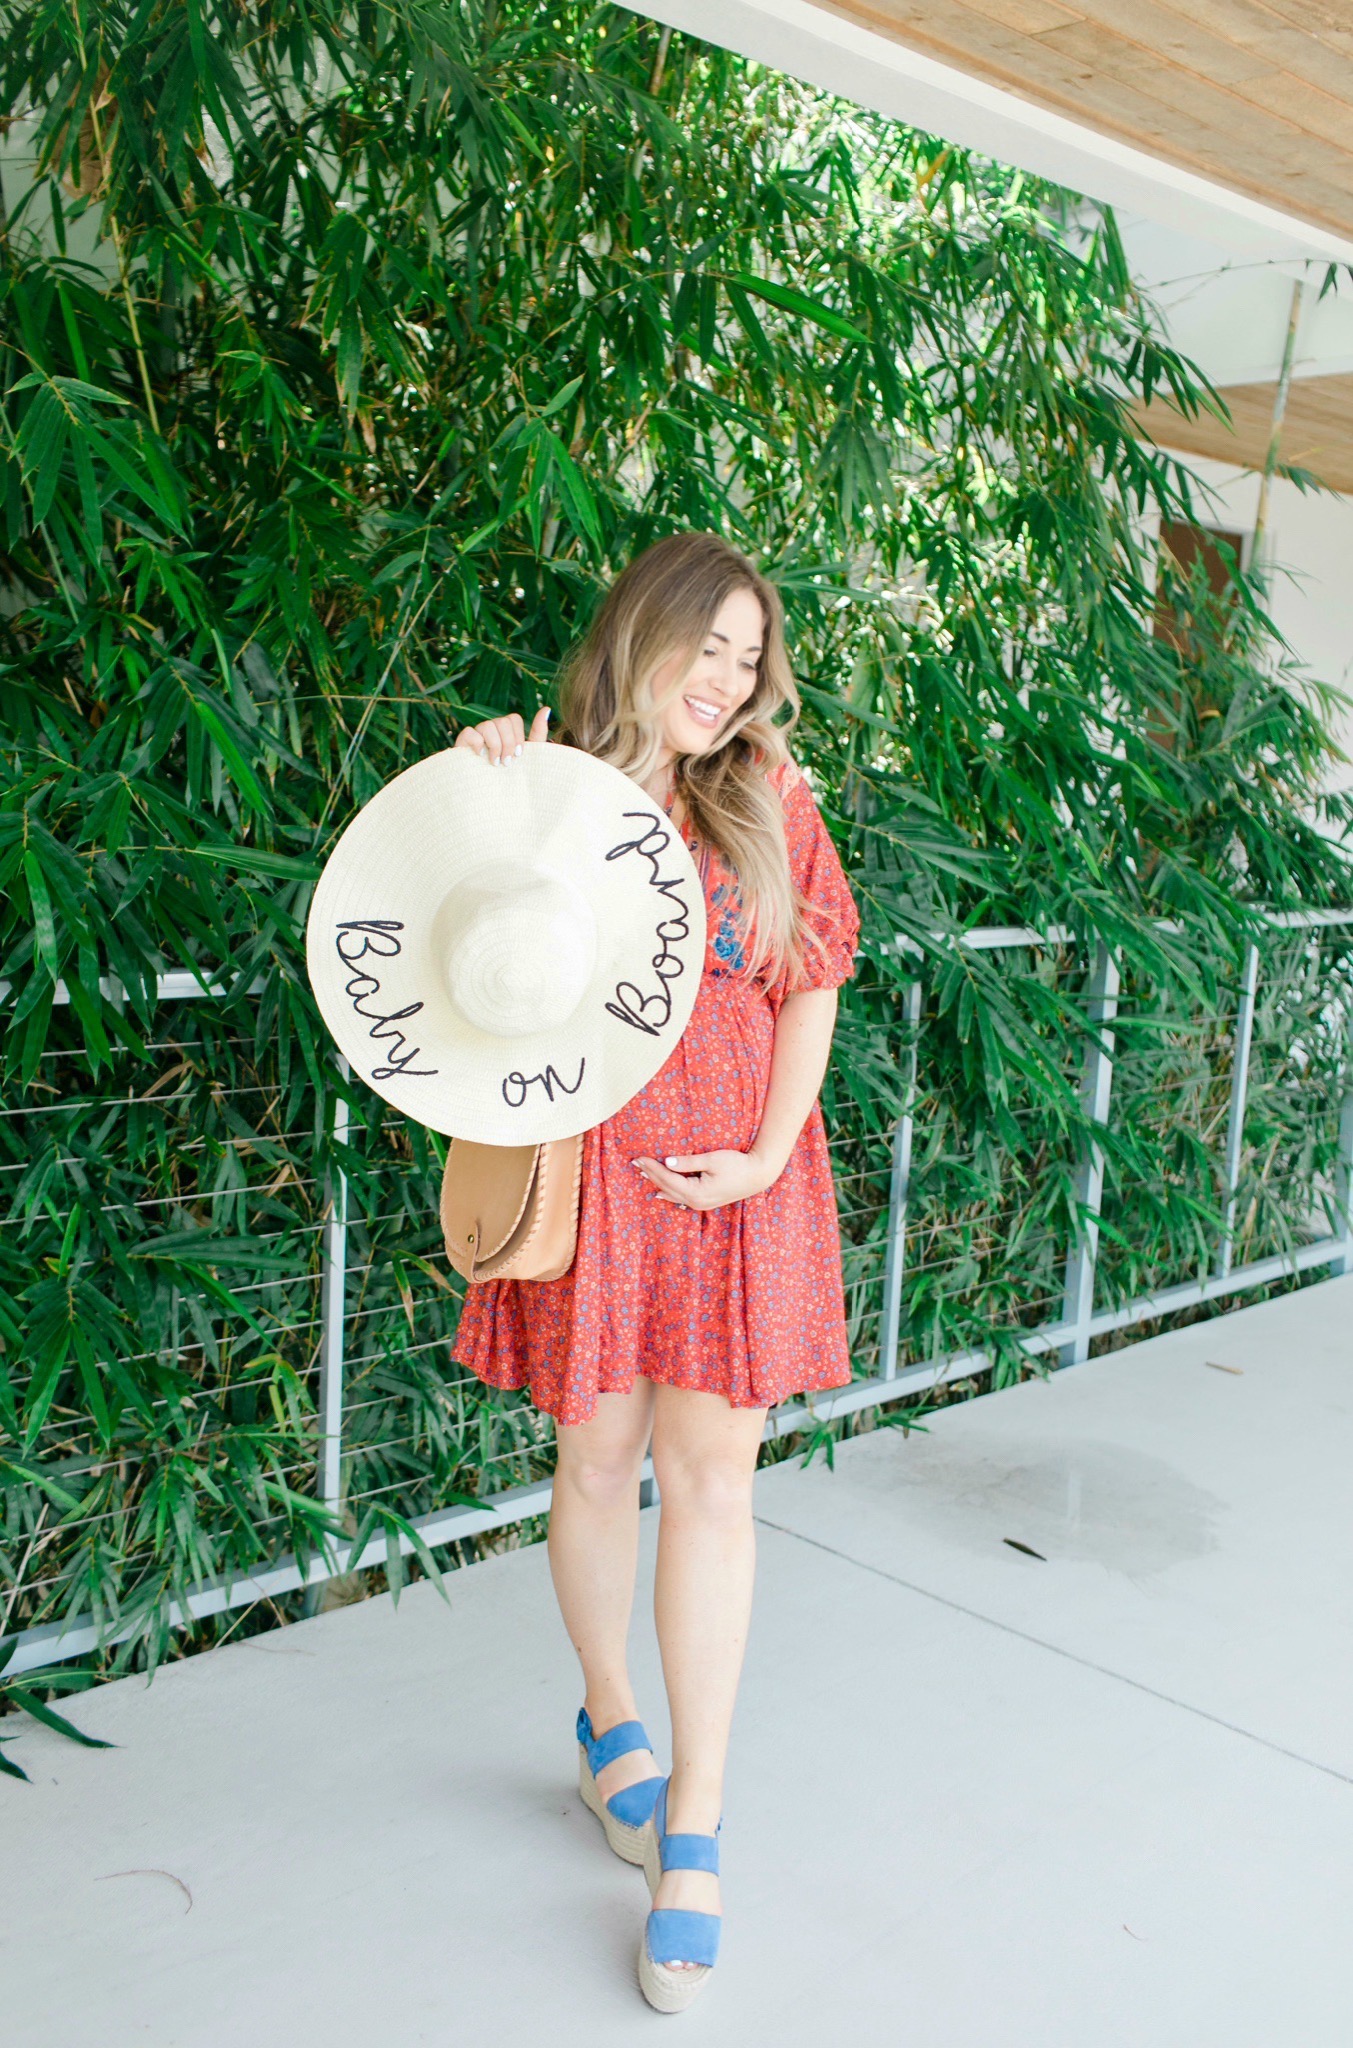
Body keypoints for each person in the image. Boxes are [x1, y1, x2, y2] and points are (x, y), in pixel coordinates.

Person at [450, 530, 860, 2012]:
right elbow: (445, 952)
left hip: (737, 1187)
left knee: (713, 1490)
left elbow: (807, 982)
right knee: (592, 1462)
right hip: (595, 1182)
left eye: (751, 658)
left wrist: (763, 1153)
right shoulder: (548, 786)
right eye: (711, 646)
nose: (729, 679)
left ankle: (692, 1824)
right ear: (645, 632)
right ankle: (607, 1724)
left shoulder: (769, 794)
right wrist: (479, 790)